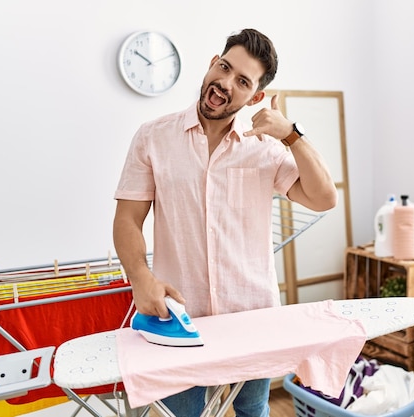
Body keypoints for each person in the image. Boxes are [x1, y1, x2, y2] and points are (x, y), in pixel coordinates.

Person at [112, 28, 337, 417]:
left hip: (252, 318)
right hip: (180, 319)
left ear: (256, 97)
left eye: (242, 81)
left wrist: (291, 135)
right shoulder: (152, 137)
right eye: (224, 67)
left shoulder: (266, 149)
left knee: (253, 410)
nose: (225, 83)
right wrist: (140, 277)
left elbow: (323, 198)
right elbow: (127, 219)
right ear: (213, 62)